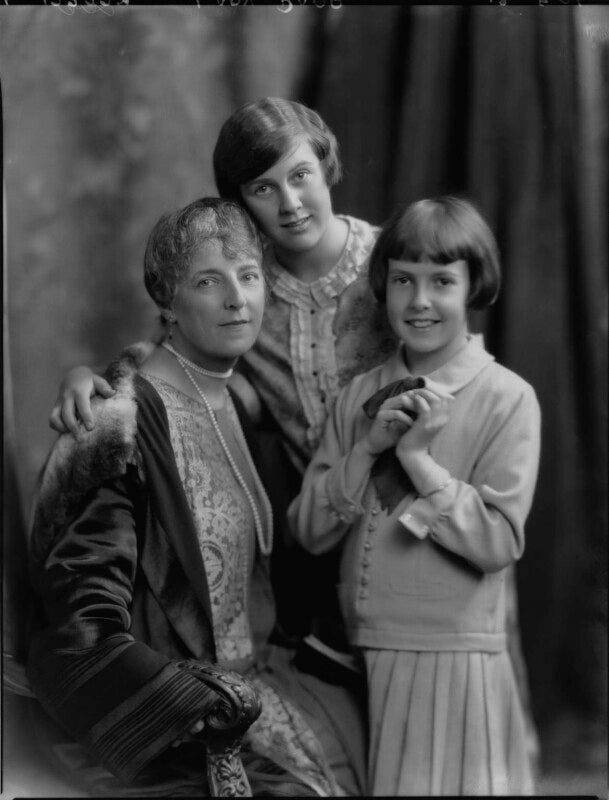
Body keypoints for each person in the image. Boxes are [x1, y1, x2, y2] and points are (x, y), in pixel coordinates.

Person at [46, 98, 538, 757]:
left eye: (300, 175)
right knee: (378, 740)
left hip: (430, 521)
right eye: (261, 188)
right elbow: (178, 347)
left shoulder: (391, 266)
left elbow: (465, 366)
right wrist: (93, 374)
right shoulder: (249, 286)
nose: (290, 203)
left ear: (328, 165)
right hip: (324, 532)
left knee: (469, 725)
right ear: (241, 203)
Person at [27, 197, 366, 797]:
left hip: (266, 684)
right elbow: (80, 629)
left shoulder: (244, 400)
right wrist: (196, 710)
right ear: (167, 301)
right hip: (177, 717)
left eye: (250, 276)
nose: (238, 298)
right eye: (209, 281)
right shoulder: (116, 426)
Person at [288, 196, 541, 796]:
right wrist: (367, 449)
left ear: (474, 287)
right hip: (365, 650)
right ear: (384, 285)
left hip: (456, 656)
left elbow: (499, 540)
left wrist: (419, 462)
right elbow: (308, 528)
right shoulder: (360, 398)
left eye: (441, 282)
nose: (419, 301)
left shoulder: (508, 398)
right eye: (403, 280)